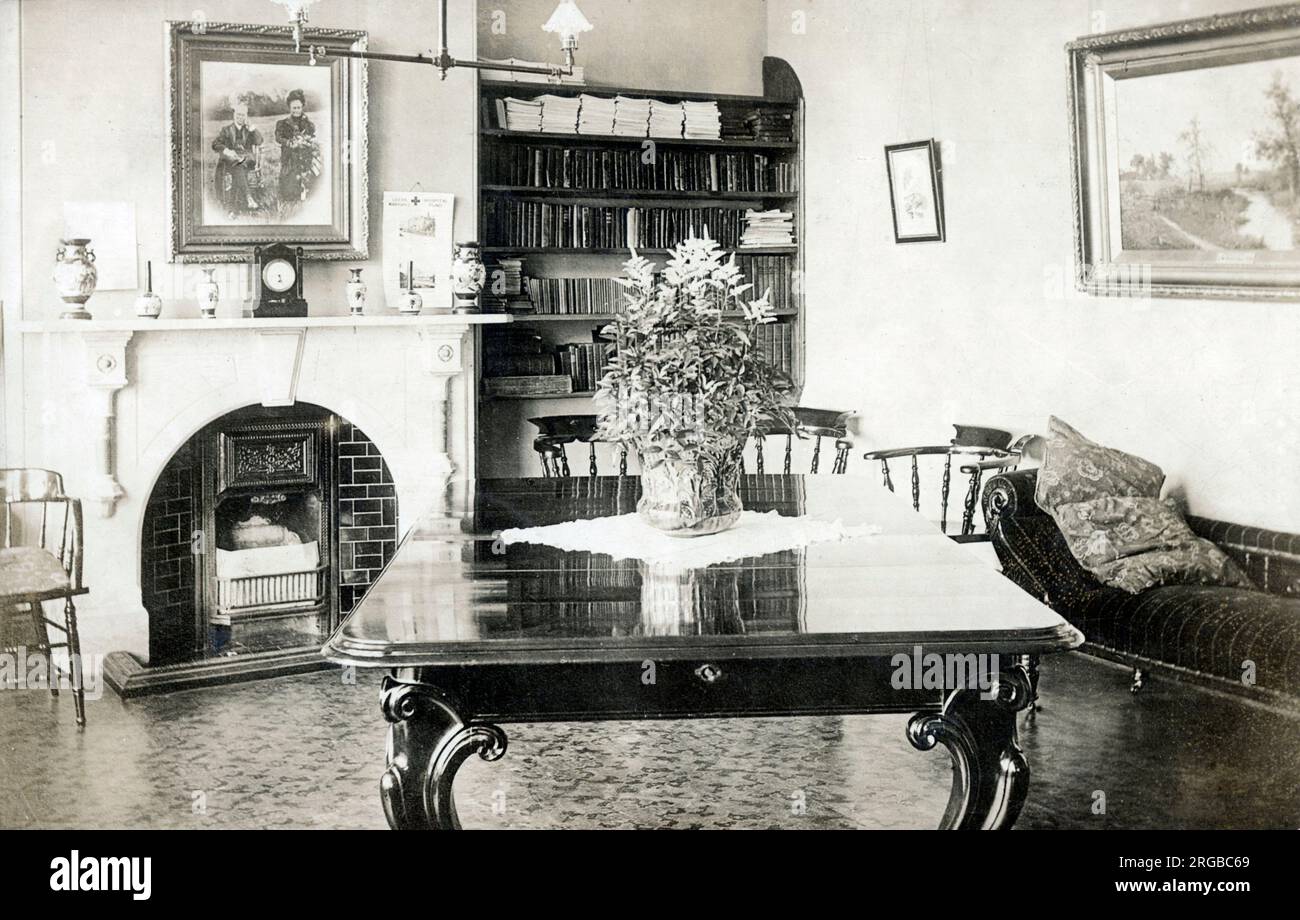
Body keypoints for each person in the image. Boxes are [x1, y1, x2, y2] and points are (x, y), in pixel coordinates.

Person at [211, 102, 263, 218]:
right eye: (238, 115)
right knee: (237, 168)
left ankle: (232, 210)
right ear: (234, 115)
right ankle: (248, 198)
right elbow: (215, 144)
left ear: (246, 116)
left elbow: (259, 141)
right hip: (230, 161)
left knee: (239, 167)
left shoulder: (249, 130)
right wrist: (227, 151)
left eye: (243, 115)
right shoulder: (226, 130)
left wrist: (253, 129)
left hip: (246, 161)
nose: (241, 117)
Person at [275, 89, 318, 206]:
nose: (296, 110)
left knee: (310, 186)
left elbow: (313, 137)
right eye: (294, 108)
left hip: (305, 158)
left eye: (299, 107)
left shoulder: (308, 123)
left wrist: (308, 141)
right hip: (289, 159)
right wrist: (289, 143)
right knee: (288, 195)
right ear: (289, 108)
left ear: (302, 107)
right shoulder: (283, 124)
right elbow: (278, 138)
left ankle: (305, 188)